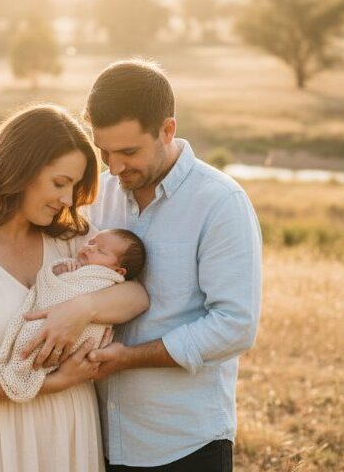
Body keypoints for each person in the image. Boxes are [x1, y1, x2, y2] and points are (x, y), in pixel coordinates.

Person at [0, 104, 150, 472]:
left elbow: (135, 294)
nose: (68, 200)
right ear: (19, 169)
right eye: (59, 183)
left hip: (68, 430)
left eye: (74, 186)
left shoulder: (72, 242)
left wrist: (79, 310)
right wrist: (55, 381)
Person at [82, 59, 263, 471]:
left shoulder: (220, 202)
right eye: (104, 151)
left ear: (167, 130)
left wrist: (129, 357)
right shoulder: (101, 193)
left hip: (182, 444)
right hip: (96, 438)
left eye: (129, 151)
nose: (114, 167)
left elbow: (235, 325)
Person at [0, 229, 147, 402]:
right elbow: (49, 286)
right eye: (91, 242)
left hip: (87, 336)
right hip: (63, 383)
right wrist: (60, 270)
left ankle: (19, 371)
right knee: (33, 330)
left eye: (101, 251)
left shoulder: (107, 280)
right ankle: (19, 371)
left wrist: (81, 308)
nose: (91, 248)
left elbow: (138, 296)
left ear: (119, 271)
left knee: (33, 332)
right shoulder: (73, 265)